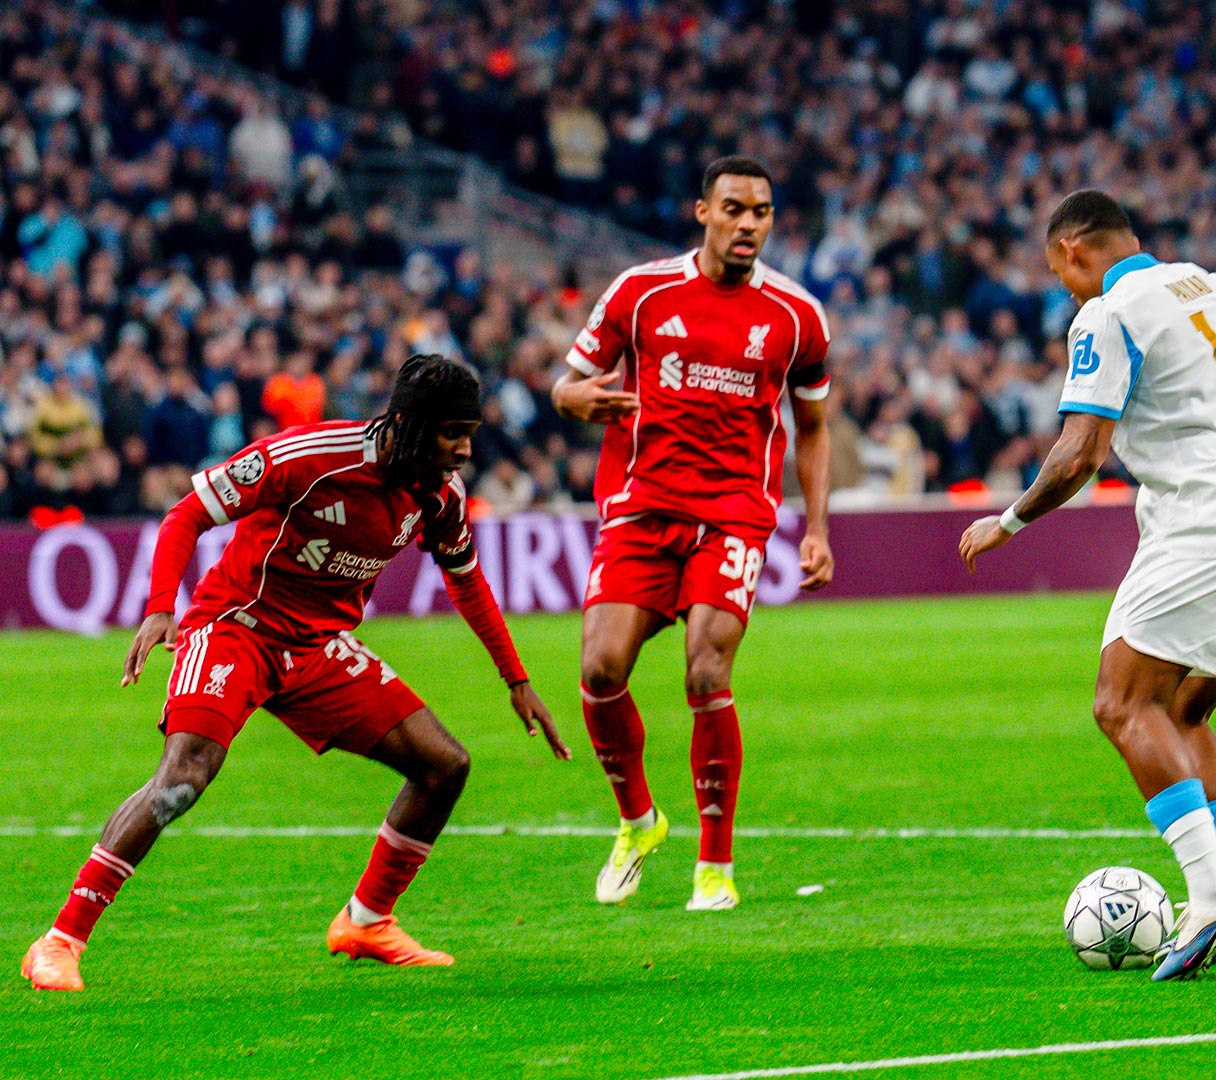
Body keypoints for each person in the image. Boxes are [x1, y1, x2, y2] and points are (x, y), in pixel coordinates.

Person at [20, 356, 569, 993]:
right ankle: (59, 941)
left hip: (316, 649)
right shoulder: (310, 457)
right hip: (238, 628)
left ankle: (366, 920)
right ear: (408, 425)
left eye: (469, 433)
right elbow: (187, 514)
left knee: (444, 765)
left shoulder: (438, 494)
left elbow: (466, 580)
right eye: (453, 433)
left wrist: (516, 679)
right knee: (184, 778)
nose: (466, 450)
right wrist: (160, 607)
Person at [959, 191, 1216, 981]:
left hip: (1209, 523)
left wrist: (1010, 521)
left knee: (1121, 704)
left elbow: (1080, 454)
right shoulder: (1212, 284)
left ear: (1073, 250)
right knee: (1184, 708)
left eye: (1059, 270)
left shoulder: (1108, 313)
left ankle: (1210, 896)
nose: (1065, 286)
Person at [550, 156, 835, 912]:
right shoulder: (640, 293)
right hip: (641, 508)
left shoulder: (798, 316)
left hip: (734, 512)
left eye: (761, 212)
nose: (749, 224)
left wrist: (817, 527)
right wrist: (574, 400)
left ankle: (715, 867)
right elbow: (566, 384)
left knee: (707, 670)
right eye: (734, 208)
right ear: (702, 212)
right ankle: (639, 820)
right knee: (600, 669)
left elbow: (813, 427)